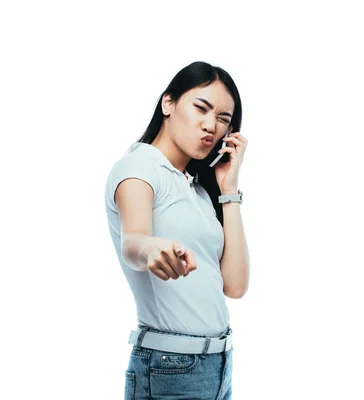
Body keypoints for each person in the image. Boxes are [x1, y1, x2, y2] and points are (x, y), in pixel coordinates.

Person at [104, 61, 250, 400]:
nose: (211, 125)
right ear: (167, 103)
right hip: (169, 369)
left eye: (223, 119)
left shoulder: (197, 190)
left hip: (218, 366)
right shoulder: (139, 166)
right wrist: (152, 249)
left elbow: (236, 285)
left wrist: (229, 190)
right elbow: (134, 241)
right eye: (201, 107)